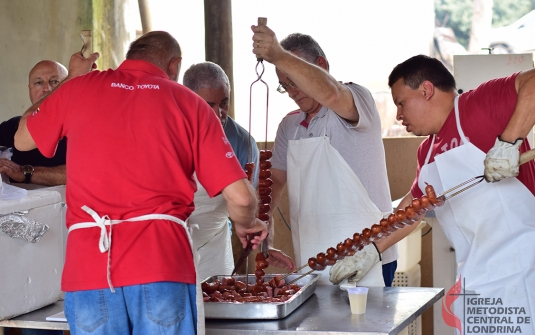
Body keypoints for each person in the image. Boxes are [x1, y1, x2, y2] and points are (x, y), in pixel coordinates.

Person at [14, 31, 268, 335]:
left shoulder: (78, 89)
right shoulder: (190, 104)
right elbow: (241, 198)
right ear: (174, 66)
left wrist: (71, 80)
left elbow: (22, 138)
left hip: (90, 270)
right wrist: (246, 223)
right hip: (161, 266)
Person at [336, 54, 535, 332]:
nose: (398, 115)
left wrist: (508, 144)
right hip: (474, 277)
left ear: (426, 90)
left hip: (523, 269)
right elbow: (411, 210)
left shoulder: (478, 104)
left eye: (401, 103)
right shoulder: (426, 152)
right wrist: (371, 250)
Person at [251, 25, 398, 286]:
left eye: (296, 81)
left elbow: (330, 93)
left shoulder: (355, 100)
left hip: (367, 256)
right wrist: (265, 237)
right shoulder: (289, 126)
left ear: (322, 65)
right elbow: (271, 186)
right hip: (311, 259)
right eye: (285, 86)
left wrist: (278, 54)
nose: (293, 92)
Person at [182, 61, 260, 280]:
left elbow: (247, 204)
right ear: (187, 100)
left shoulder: (242, 142)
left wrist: (253, 230)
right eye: (209, 105)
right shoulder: (169, 133)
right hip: (173, 243)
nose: (219, 114)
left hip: (214, 246)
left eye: (224, 103)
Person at [0, 60, 67, 186]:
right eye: (39, 83)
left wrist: (25, 173)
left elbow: (87, 171)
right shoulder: (11, 127)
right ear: (29, 90)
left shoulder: (82, 127)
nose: (47, 89)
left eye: (54, 82)